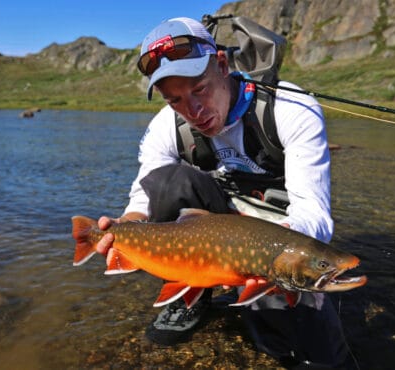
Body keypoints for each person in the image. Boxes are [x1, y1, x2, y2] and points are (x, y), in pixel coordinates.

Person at [96, 17, 349, 369]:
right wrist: (128, 225)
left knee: (312, 347)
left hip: (282, 231)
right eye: (176, 100)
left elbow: (314, 212)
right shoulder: (165, 127)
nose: (193, 111)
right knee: (169, 182)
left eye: (200, 89)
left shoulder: (292, 109)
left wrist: (281, 259)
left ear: (221, 64)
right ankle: (190, 291)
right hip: (215, 221)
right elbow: (145, 192)